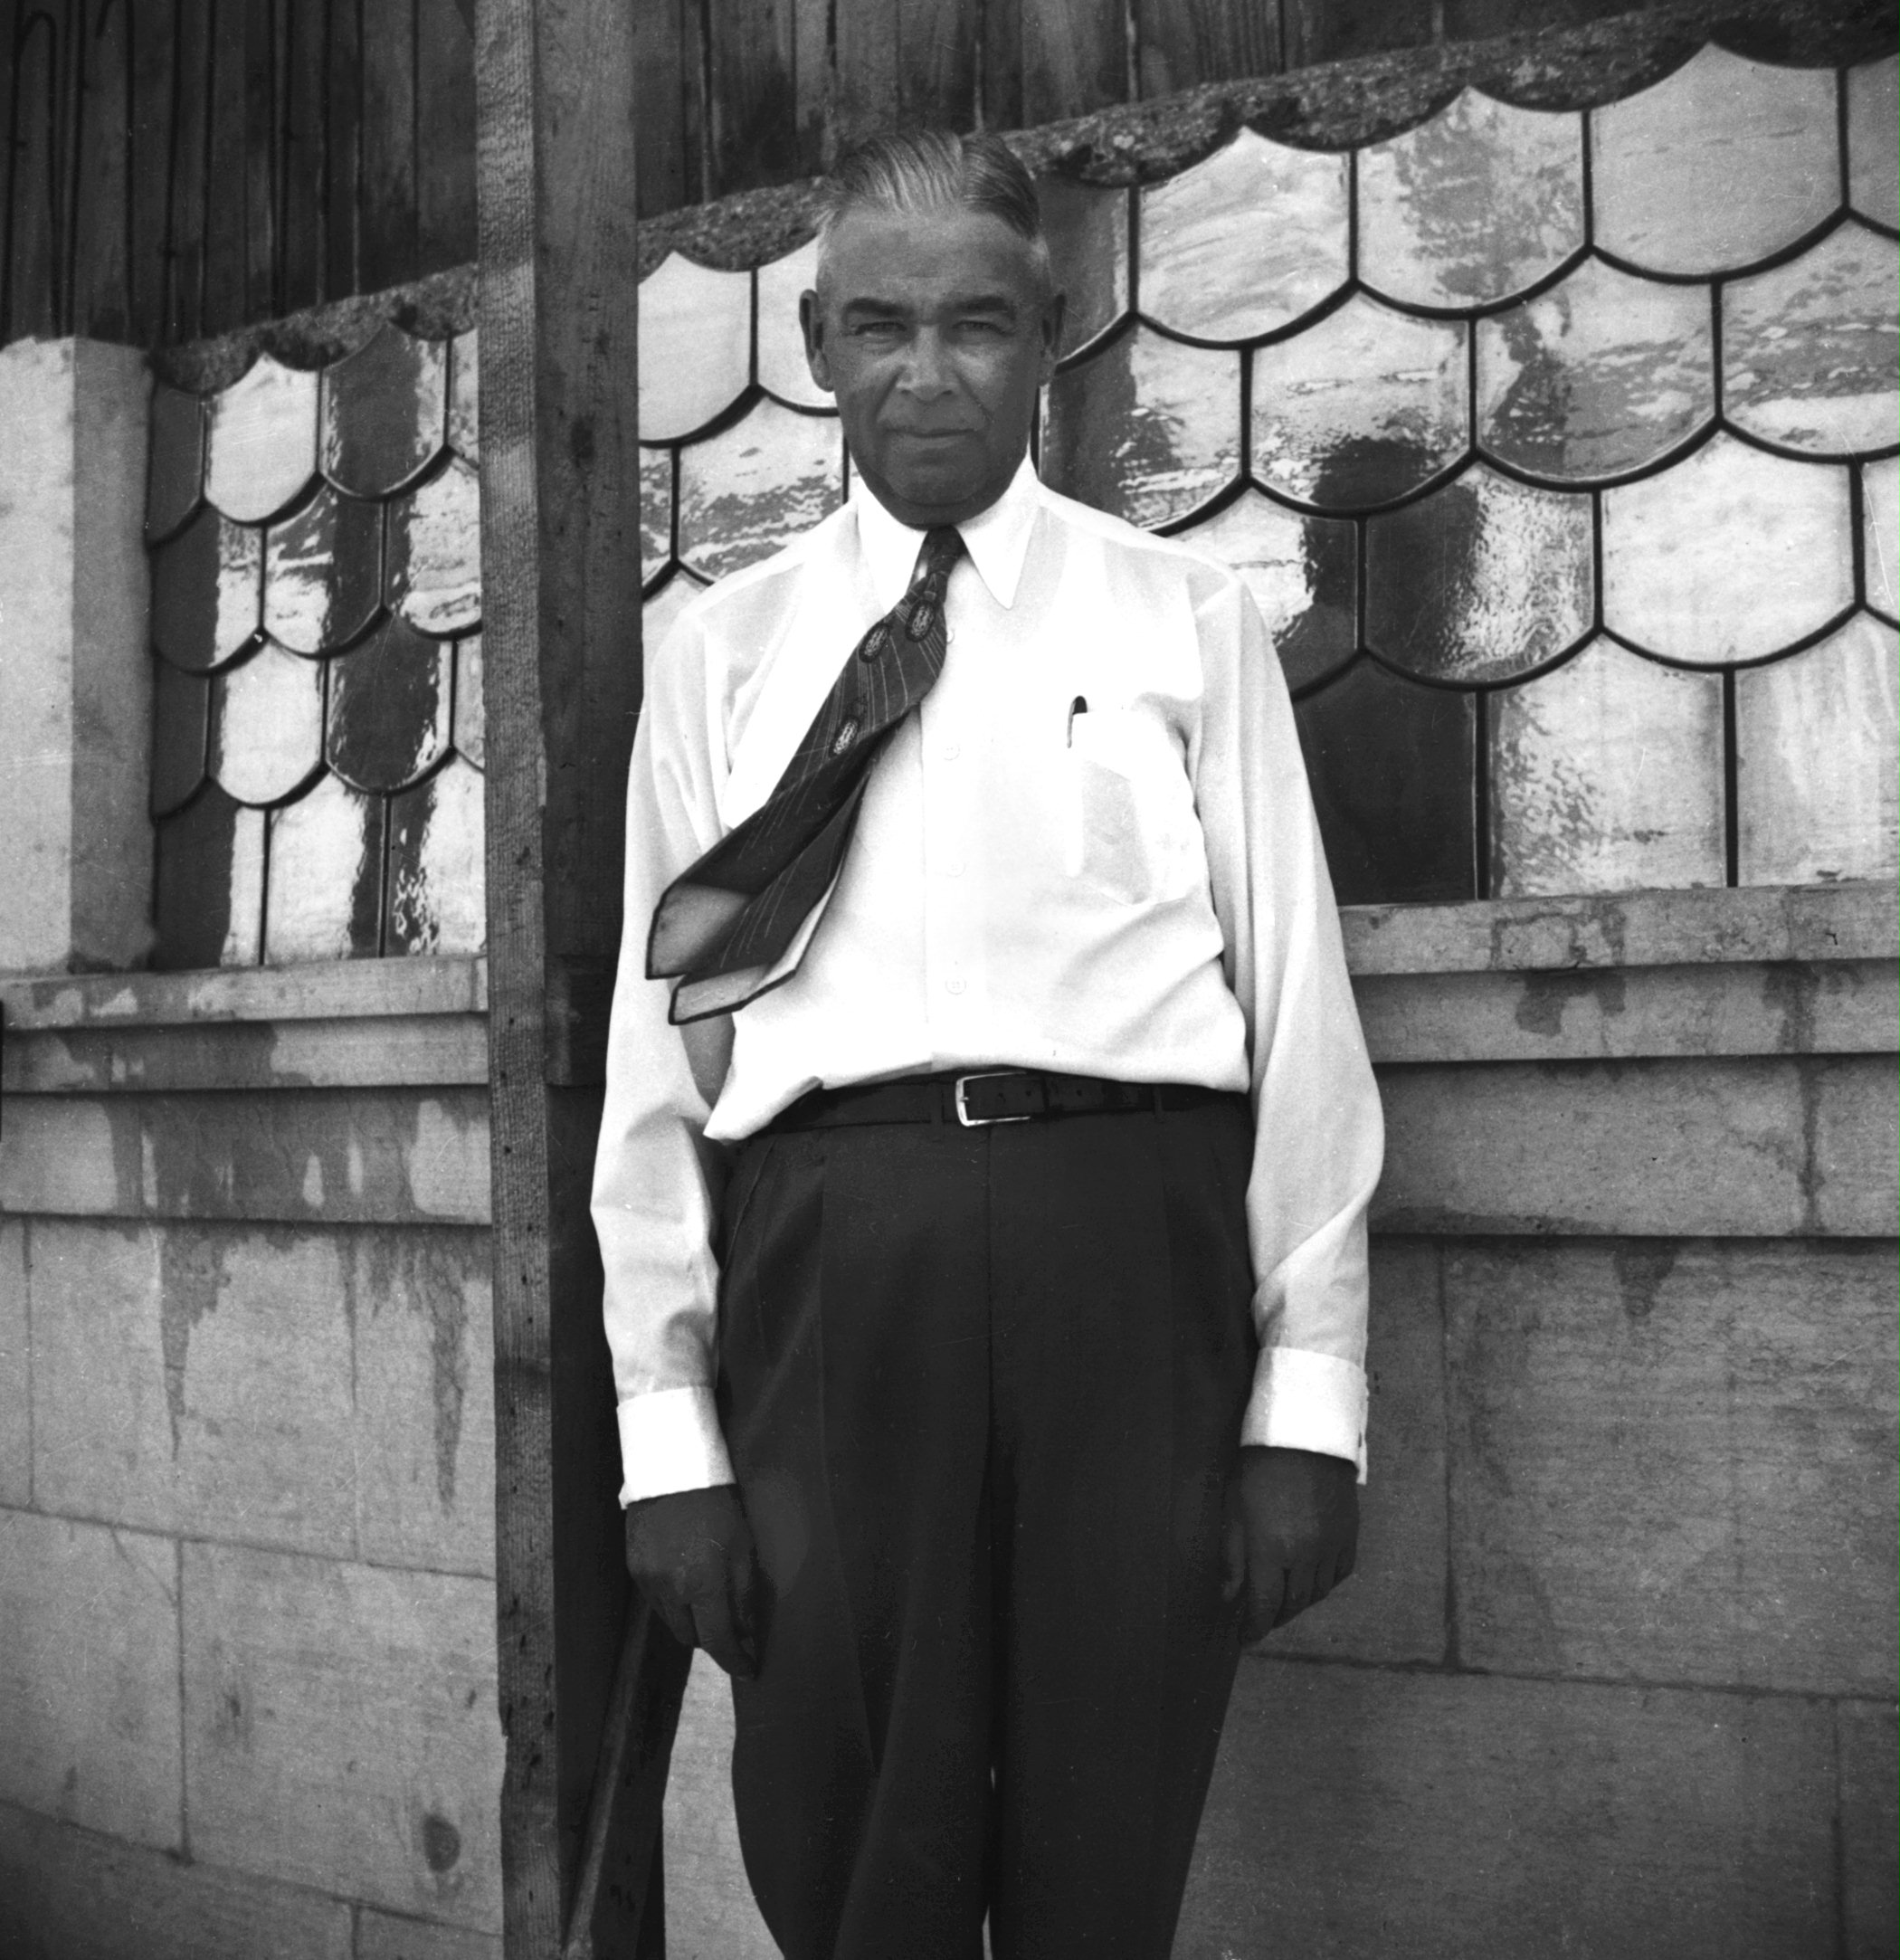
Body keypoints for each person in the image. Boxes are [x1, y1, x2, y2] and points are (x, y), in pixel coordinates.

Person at [592, 128, 1383, 1960]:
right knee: (844, 1817)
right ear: (813, 340)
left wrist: (1308, 1411)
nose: (924, 370)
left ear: (1051, 331)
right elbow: (658, 1063)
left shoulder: (1182, 620)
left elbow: (1302, 1021)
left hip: (1136, 1266)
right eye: (879, 325)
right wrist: (669, 1441)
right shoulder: (725, 655)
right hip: (834, 1271)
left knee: (1110, 1824)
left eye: (975, 325)